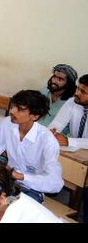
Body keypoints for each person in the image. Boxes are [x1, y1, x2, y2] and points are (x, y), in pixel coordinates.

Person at [0, 90, 63, 203]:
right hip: (7, 182)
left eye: (20, 109)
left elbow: (56, 184)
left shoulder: (47, 140)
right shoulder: (7, 123)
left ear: (34, 116)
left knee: (5, 209)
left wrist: (21, 176)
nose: (12, 111)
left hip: (31, 190)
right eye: (13, 106)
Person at [49, 74, 88, 223]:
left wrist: (68, 140)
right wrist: (52, 132)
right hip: (78, 154)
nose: (77, 93)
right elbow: (56, 124)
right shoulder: (72, 102)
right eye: (78, 88)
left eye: (83, 92)